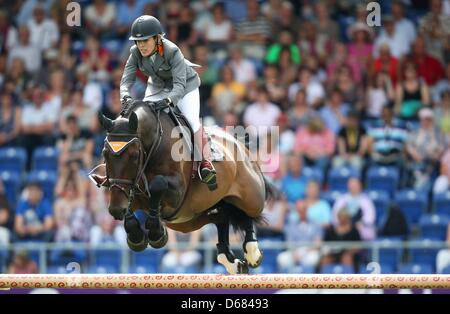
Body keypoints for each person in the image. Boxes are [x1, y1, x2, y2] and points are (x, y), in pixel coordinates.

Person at [119, 15, 216, 187]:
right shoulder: (135, 52)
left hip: (185, 87)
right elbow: (126, 80)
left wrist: (169, 100)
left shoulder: (172, 51)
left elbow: (178, 85)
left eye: (145, 41)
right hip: (157, 86)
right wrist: (125, 95)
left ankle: (205, 163)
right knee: (140, 118)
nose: (141, 45)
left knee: (192, 122)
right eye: (138, 41)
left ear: (157, 38)